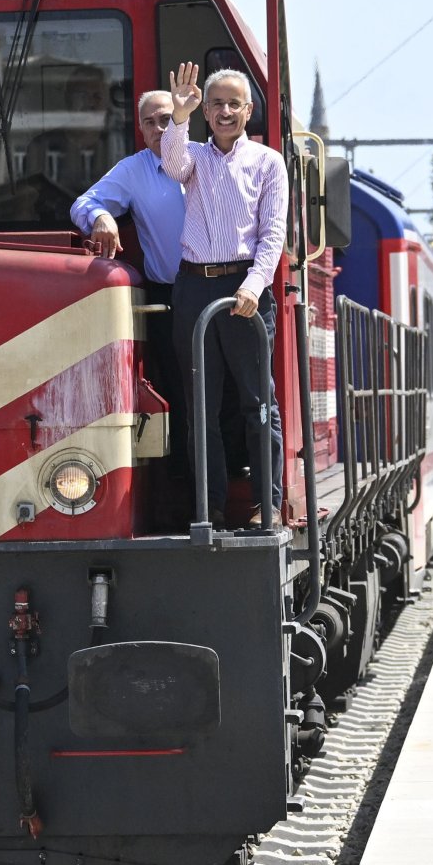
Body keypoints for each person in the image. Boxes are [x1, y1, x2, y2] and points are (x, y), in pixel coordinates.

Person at [160, 61, 288, 528]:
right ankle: (208, 507)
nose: (226, 111)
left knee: (258, 403)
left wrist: (254, 286)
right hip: (195, 286)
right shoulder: (193, 155)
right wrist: (179, 114)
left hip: (244, 287)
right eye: (217, 104)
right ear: (207, 112)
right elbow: (172, 164)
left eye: (234, 103)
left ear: (249, 110)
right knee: (201, 405)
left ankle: (266, 506)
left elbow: (273, 234)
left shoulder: (268, 162)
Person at [69, 89, 188, 414]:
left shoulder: (206, 159)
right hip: (168, 299)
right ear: (140, 129)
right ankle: (185, 467)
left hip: (214, 289)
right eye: (149, 123)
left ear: (183, 118)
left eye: (166, 119)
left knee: (224, 390)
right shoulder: (133, 170)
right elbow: (82, 204)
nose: (159, 129)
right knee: (178, 392)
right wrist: (102, 217)